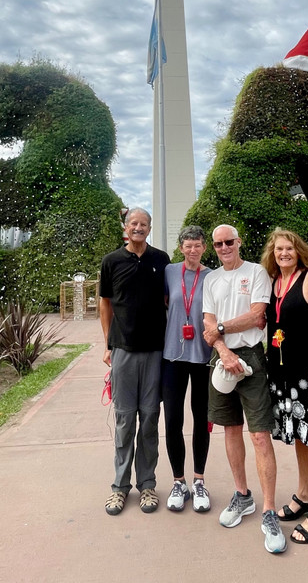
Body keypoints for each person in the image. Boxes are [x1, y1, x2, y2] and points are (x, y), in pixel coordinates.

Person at [202, 224, 287, 554]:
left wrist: (222, 329)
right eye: (218, 243)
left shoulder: (255, 273)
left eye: (229, 242)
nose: (224, 247)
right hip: (221, 357)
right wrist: (223, 350)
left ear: (239, 242)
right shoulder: (211, 279)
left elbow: (256, 317)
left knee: (260, 434)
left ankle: (268, 510)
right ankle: (243, 496)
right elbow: (208, 323)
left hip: (251, 356)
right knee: (231, 430)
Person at [260, 228, 308, 544]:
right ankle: (304, 495)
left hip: (307, 372)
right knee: (300, 437)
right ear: (272, 253)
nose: (284, 253)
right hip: (281, 374)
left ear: (299, 250)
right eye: (279, 249)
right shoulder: (274, 282)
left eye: (289, 248)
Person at [99, 207, 170, 516]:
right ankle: (119, 487)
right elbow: (105, 303)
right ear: (126, 228)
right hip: (124, 351)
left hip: (155, 350)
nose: (138, 228)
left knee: (150, 418)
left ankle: (147, 484)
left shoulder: (161, 260)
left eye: (144, 224)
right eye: (134, 224)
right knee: (125, 419)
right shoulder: (111, 261)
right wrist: (108, 344)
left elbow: (170, 301)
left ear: (149, 228)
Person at [162, 226, 212, 513]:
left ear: (204, 247)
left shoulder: (212, 276)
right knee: (172, 420)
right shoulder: (170, 272)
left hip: (203, 357)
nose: (192, 250)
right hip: (173, 356)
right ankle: (178, 481)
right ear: (180, 247)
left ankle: (199, 480)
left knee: (202, 419)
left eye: (197, 245)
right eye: (187, 245)